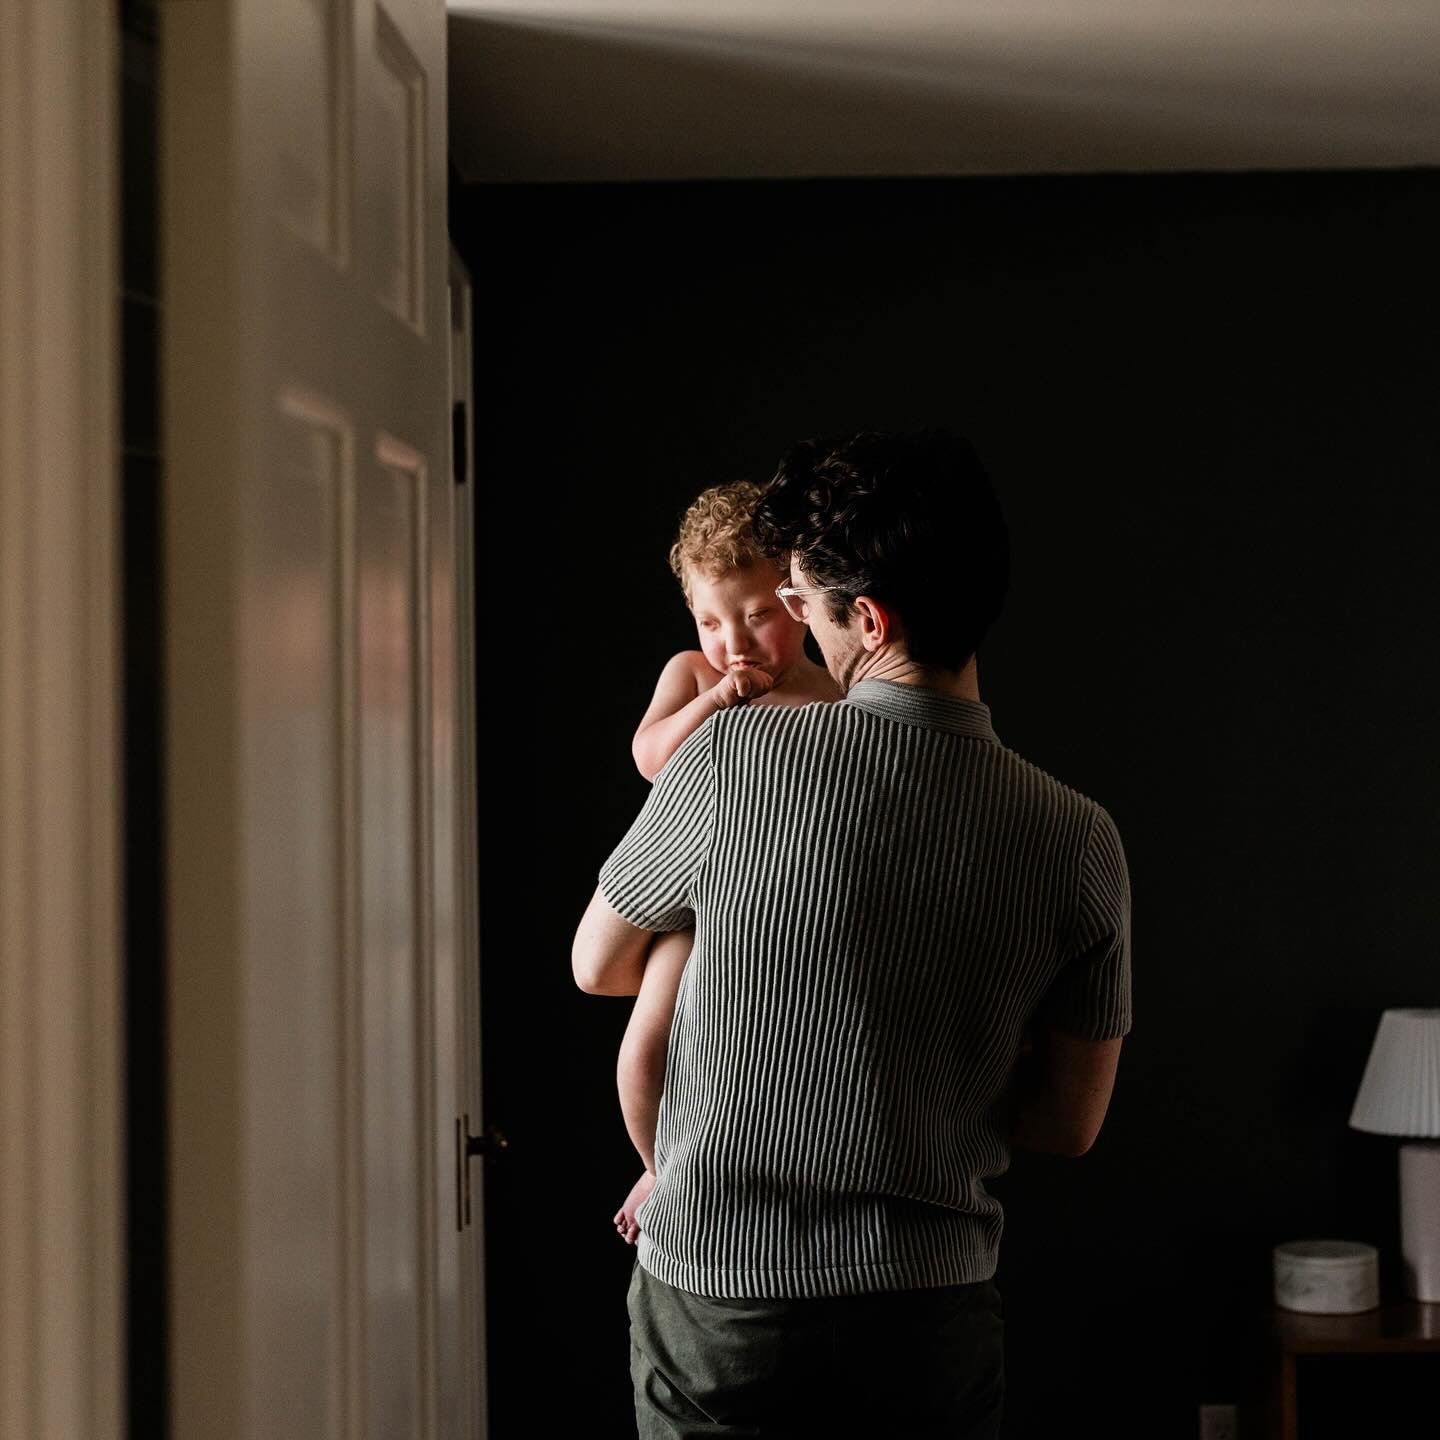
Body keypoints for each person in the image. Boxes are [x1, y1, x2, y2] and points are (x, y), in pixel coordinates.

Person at [572, 429, 1132, 1440]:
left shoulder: (736, 753)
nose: (791, 623)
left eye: (802, 604)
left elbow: (596, 962)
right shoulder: (1080, 837)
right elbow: (1070, 1124)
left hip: (721, 1305)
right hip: (929, 1318)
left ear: (866, 618)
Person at [612, 480, 839, 1247]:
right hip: (688, 900)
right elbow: (649, 757)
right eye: (712, 621)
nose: (734, 644)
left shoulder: (834, 692)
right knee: (645, 1052)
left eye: (757, 617)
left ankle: (709, 1168)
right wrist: (714, 703)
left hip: (776, 907)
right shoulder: (694, 677)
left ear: (801, 606)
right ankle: (658, 1166)